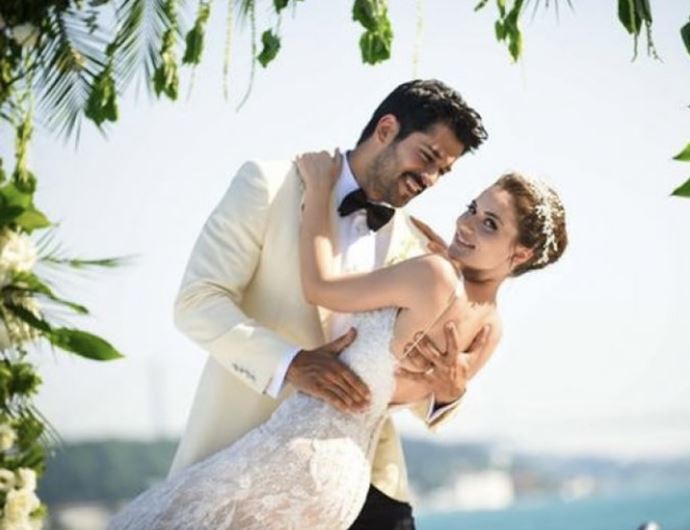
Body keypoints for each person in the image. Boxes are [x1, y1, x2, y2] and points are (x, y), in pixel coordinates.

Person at [107, 149, 568, 529]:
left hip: (303, 456)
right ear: (387, 131)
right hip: (340, 484)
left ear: (521, 254)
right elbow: (407, 388)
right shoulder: (490, 325)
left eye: (489, 224)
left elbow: (320, 288)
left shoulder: (432, 269)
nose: (465, 223)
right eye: (472, 208)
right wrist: (446, 392)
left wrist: (319, 193)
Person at [165, 80, 490, 529]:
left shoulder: (418, 247)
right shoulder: (269, 186)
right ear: (386, 129)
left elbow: (406, 374)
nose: (430, 179)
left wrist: (446, 394)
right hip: (249, 472)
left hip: (366, 482)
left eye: (443, 172)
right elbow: (197, 302)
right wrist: (291, 363)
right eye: (427, 157)